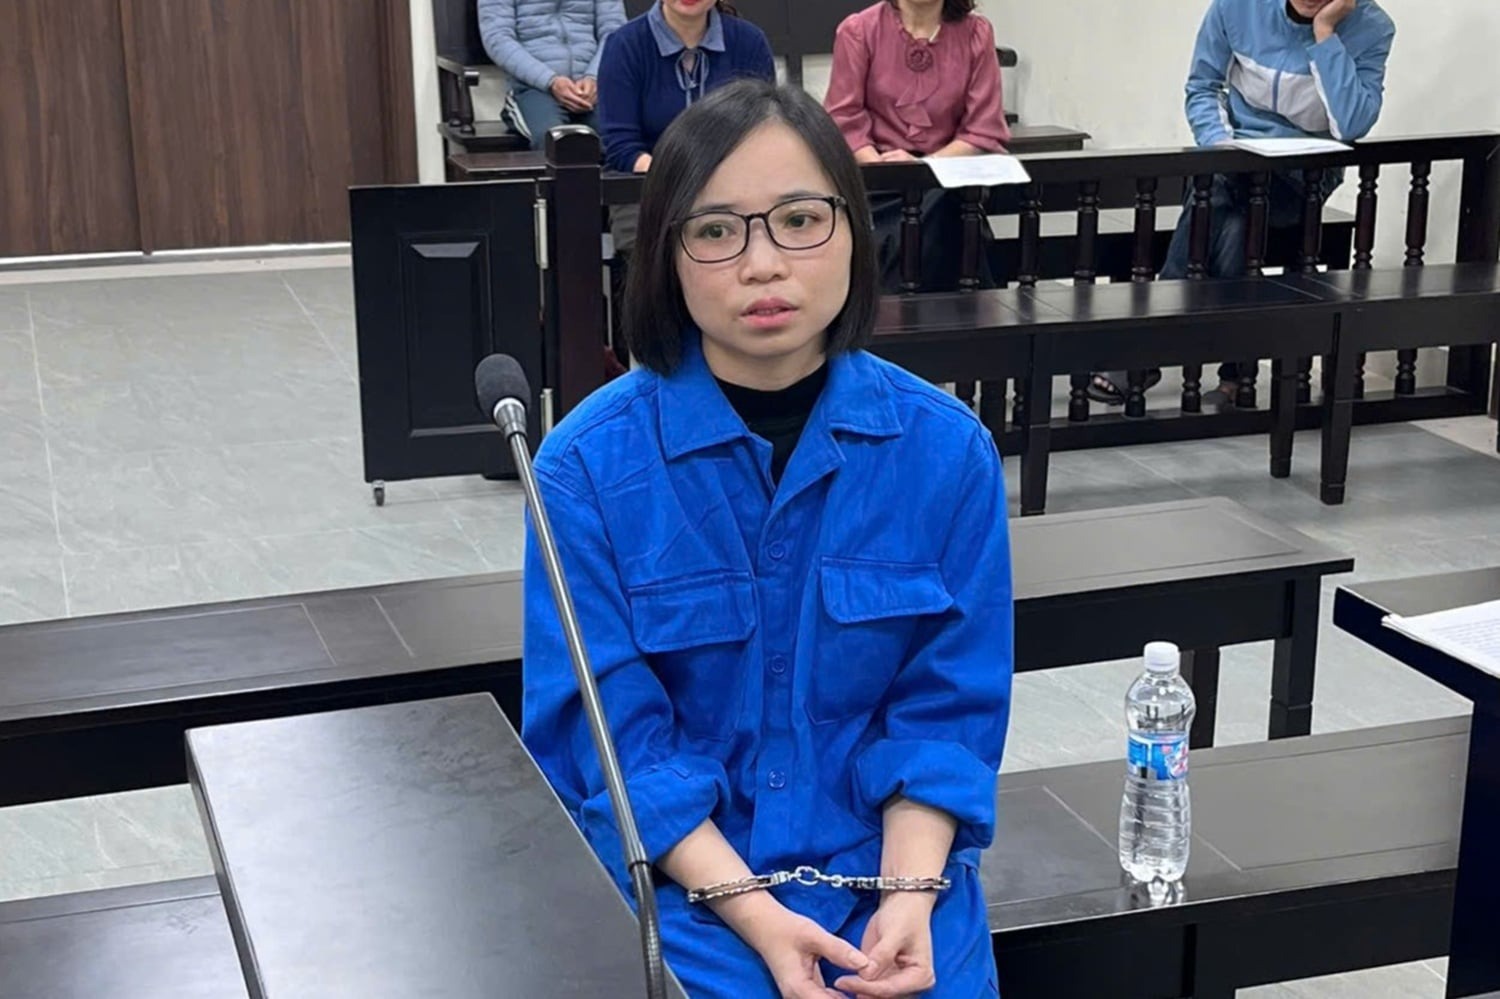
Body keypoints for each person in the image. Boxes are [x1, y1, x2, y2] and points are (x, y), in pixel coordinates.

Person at [523, 79, 1011, 998]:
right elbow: (613, 743)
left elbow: (946, 709)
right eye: (716, 231)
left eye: (799, 220)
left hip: (893, 874)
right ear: (666, 256)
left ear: (853, 230)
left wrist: (909, 896)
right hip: (684, 887)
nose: (762, 264)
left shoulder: (948, 453)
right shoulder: (585, 468)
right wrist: (755, 913)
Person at [1089, 0, 1395, 409]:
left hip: (1301, 179)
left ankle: (1145, 347)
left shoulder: (1373, 27)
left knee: (1216, 198)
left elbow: (1353, 123)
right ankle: (1236, 374)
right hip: (1234, 161)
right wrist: (1220, 146)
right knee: (1229, 218)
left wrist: (1325, 33)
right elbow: (1203, 87)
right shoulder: (1236, 6)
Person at [824, 0, 1009, 292]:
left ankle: (919, 307)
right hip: (877, 180)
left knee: (947, 207)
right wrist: (882, 168)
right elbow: (844, 118)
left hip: (946, 176)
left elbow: (982, 129)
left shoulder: (976, 32)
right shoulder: (859, 30)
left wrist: (924, 167)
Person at [597, 0, 776, 175]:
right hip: (650, 184)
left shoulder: (750, 42)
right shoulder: (623, 45)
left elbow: (763, 130)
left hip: (735, 182)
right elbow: (620, 145)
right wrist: (671, 181)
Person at [478, 0, 626, 149]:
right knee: (551, 141)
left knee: (621, 138)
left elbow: (615, 32)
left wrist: (595, 76)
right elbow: (498, 40)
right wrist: (550, 81)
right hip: (533, 87)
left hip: (593, 87)